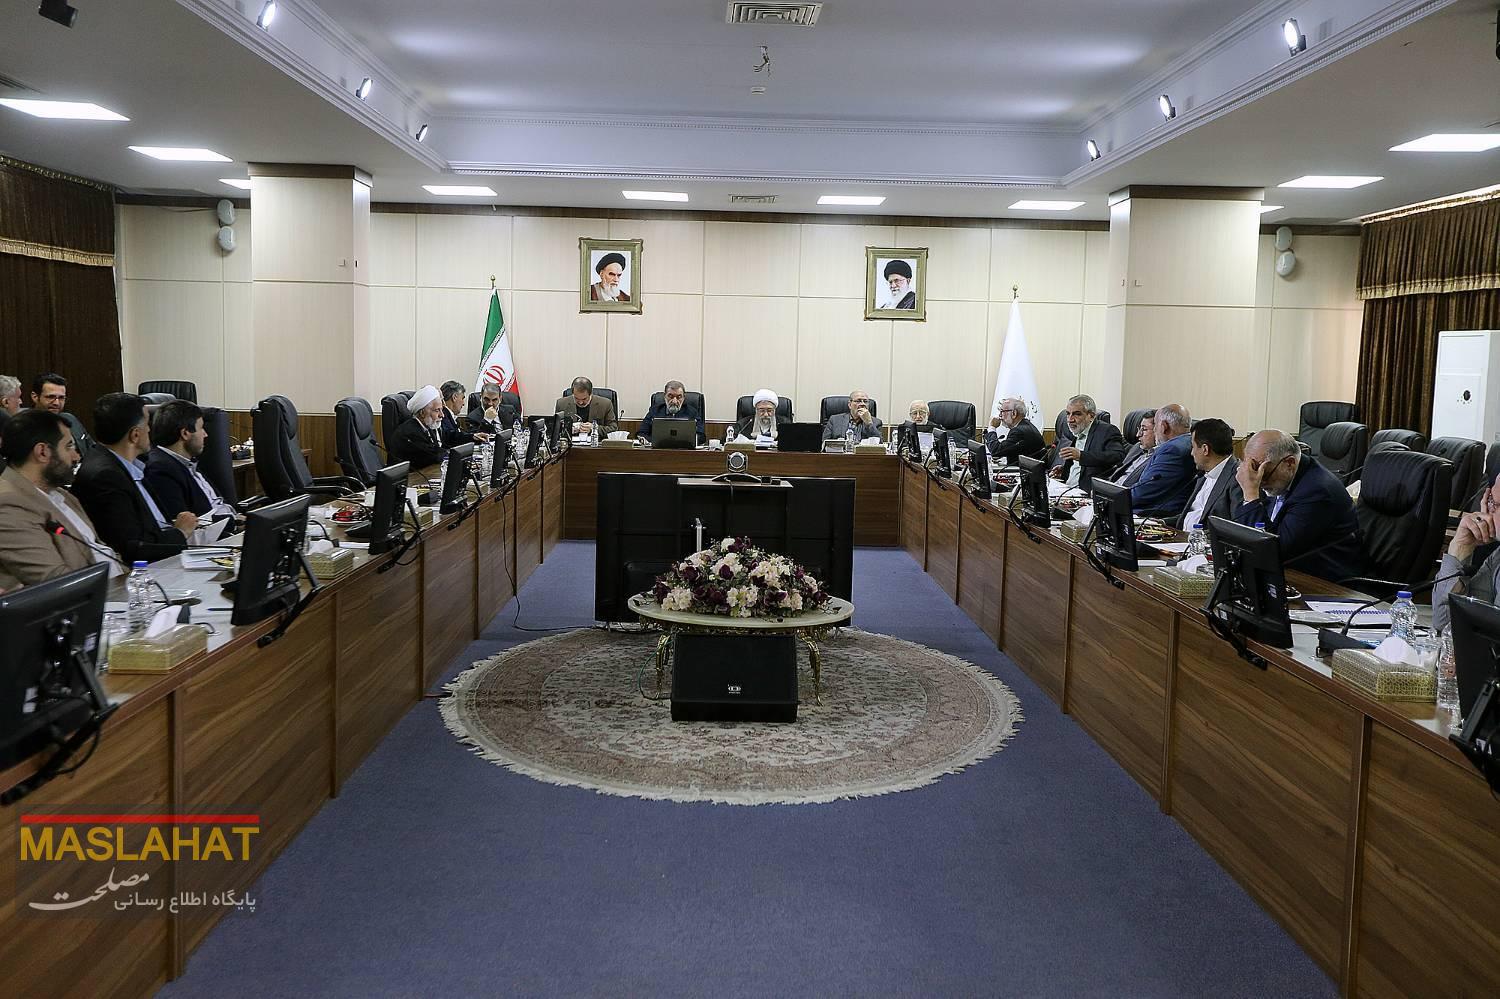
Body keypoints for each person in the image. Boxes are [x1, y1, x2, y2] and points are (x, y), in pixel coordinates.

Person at [72, 392, 198, 564]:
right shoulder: (105, 477)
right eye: (147, 424)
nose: (150, 430)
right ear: (135, 435)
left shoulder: (127, 465)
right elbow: (134, 548)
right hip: (148, 569)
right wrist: (181, 533)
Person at [0, 409, 120, 589]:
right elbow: (55, 581)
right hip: (90, 599)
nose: (76, 456)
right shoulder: (8, 505)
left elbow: (102, 550)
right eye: (68, 446)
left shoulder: (62, 494)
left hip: (119, 591)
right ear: (42, 452)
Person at [1233, 429, 1363, 582]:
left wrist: (1250, 494)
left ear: (1289, 463)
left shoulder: (1317, 491)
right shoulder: (1279, 478)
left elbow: (1275, 551)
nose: (1259, 482)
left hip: (1329, 583)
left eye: (1264, 475)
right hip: (1291, 572)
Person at [143, 400, 237, 522]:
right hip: (218, 531)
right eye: (201, 428)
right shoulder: (160, 470)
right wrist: (235, 522)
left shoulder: (186, 462)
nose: (205, 434)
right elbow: (186, 523)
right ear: (185, 433)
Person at [1433, 470, 1500, 632]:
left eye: (1495, 504)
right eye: (1490, 499)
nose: (1487, 509)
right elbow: (1446, 624)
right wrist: (1460, 547)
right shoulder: (1497, 558)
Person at [1174, 418, 1243, 531]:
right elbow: (1191, 515)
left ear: (1205, 449)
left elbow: (1235, 529)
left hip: (1204, 541)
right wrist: (1161, 523)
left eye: (1193, 447)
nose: (1192, 453)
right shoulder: (1202, 476)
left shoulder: (1238, 478)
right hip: (1181, 537)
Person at [1130, 404, 1196, 518]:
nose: (1155, 430)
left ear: (1164, 426)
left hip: (1152, 514)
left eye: (1155, 425)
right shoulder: (1187, 442)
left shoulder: (1172, 450)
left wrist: (1113, 499)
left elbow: (1144, 491)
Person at [1049, 394, 1125, 491]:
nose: (1070, 419)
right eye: (1068, 414)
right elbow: (1079, 467)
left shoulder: (1107, 431)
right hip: (1066, 489)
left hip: (1085, 492)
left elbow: (1118, 456)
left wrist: (1082, 456)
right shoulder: (1078, 430)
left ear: (1091, 416)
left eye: (1077, 414)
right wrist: (1065, 471)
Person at [388, 384, 448, 471]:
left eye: (441, 410)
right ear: (422, 413)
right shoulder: (410, 433)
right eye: (437, 410)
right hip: (409, 477)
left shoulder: (427, 427)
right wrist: (454, 454)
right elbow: (434, 455)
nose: (442, 415)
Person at [31, 372, 93, 453]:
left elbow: (92, 449)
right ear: (35, 397)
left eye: (61, 398)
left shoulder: (70, 419)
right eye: (51, 397)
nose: (56, 403)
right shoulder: (24, 427)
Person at [638, 380, 705, 444]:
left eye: (679, 397)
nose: (674, 401)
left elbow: (701, 436)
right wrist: (654, 441)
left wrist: (687, 441)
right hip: (659, 450)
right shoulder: (655, 411)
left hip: (683, 449)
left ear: (684, 398)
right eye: (670, 396)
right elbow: (641, 433)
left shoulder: (692, 412)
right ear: (664, 396)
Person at [985, 397, 1046, 466]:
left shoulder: (1019, 432)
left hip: (1026, 472)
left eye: (1002, 411)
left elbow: (996, 451)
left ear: (1014, 413)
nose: (1000, 415)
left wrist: (992, 427)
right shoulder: (1025, 426)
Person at [554, 376, 618, 436]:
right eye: (576, 398)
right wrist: (569, 429)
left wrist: (594, 428)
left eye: (584, 399)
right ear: (572, 393)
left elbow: (613, 428)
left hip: (596, 442)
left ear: (591, 393)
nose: (580, 402)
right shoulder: (561, 404)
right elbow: (555, 429)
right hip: (571, 443)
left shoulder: (605, 404)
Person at [439, 381, 492, 446]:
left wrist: (472, 436)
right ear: (454, 397)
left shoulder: (450, 416)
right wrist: (472, 437)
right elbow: (451, 438)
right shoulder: (442, 416)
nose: (463, 403)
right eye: (462, 398)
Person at [1109, 414, 1157, 486]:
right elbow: (1116, 474)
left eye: (1144, 429)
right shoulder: (1137, 447)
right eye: (1139, 429)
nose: (1138, 434)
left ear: (1158, 431)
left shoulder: (1159, 458)